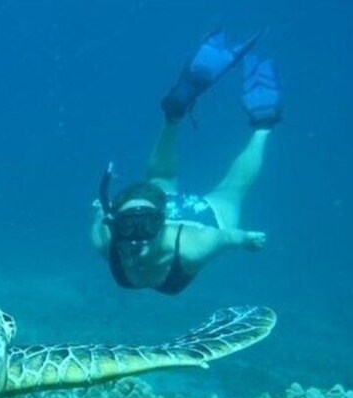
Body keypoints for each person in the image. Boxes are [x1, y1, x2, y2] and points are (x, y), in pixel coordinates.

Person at [91, 30, 282, 295]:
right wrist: (245, 240)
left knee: (233, 188)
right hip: (166, 219)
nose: (136, 238)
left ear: (164, 218)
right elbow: (101, 214)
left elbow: (224, 236)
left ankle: (262, 124)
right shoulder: (104, 239)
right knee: (161, 181)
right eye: (127, 225)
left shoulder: (193, 246)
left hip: (201, 219)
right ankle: (179, 115)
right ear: (115, 224)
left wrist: (244, 239)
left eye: (145, 224)